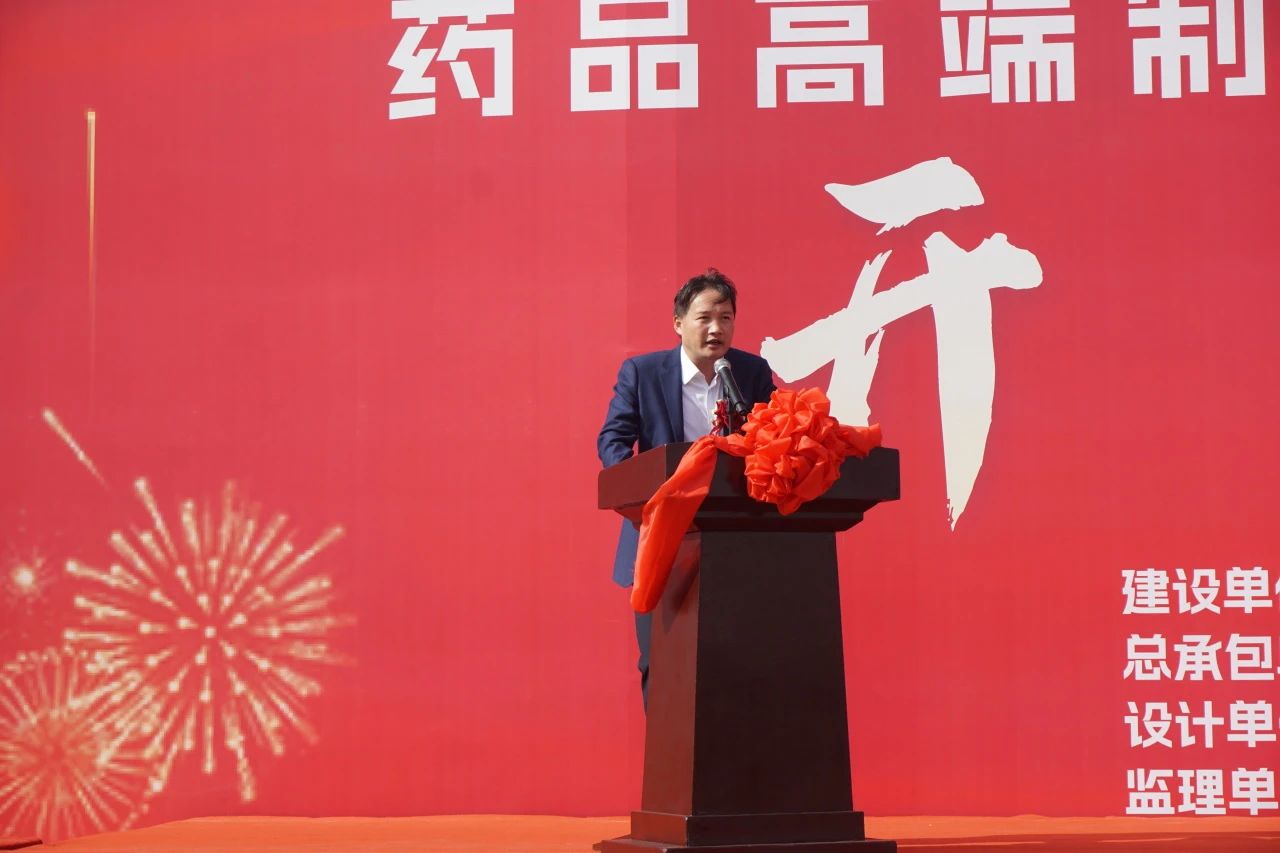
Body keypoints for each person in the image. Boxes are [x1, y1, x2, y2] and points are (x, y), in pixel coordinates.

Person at [597, 269, 776, 708]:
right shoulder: (642, 373)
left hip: (735, 539)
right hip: (661, 537)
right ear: (678, 323)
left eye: (726, 318)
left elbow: (775, 436)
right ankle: (665, 753)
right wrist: (647, 496)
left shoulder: (750, 372)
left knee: (735, 664)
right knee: (661, 662)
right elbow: (613, 441)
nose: (717, 329)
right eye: (704, 318)